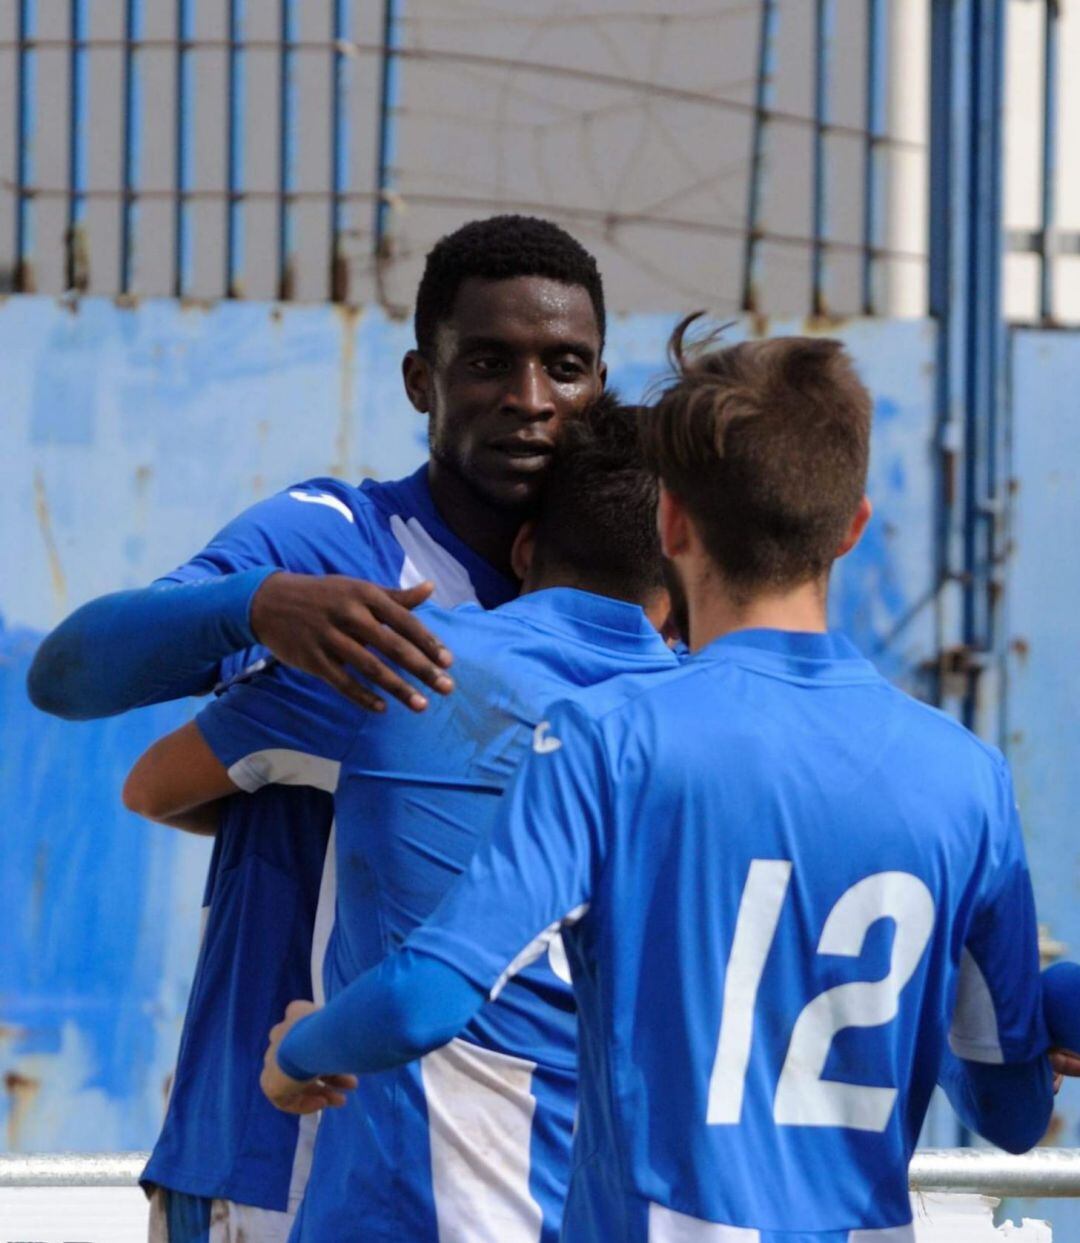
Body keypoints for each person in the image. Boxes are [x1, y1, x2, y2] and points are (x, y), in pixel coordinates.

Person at [260, 325, 1063, 1243]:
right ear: (852, 525)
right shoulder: (966, 776)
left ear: (673, 524)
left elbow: (425, 997)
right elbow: (1009, 1110)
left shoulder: (614, 739)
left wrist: (298, 1052)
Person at [28, 214, 608, 1242]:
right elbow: (67, 677)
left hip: (509, 1182)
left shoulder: (624, 595)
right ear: (419, 381)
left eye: (566, 367)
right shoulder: (335, 541)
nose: (532, 401)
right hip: (274, 1164)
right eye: (488, 363)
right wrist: (253, 606)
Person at [122, 395, 678, 1241]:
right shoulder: (704, 726)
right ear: (676, 577)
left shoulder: (405, 661)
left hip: (399, 1204)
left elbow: (153, 786)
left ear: (524, 549)